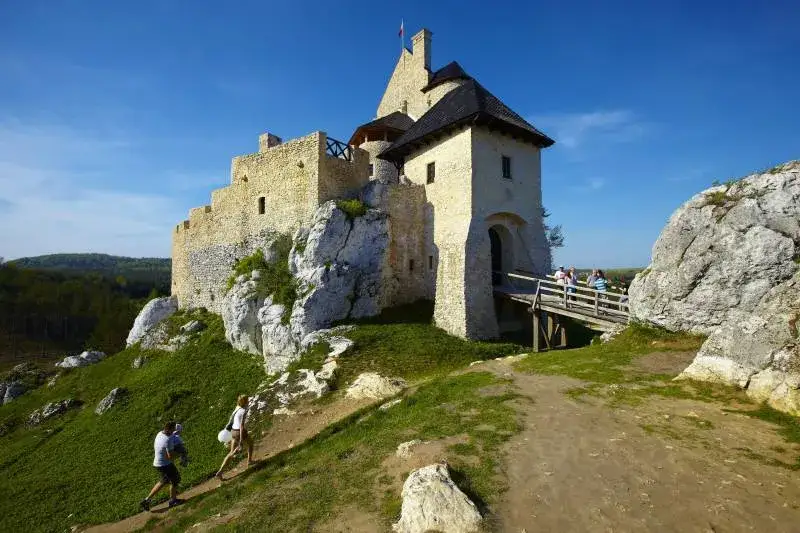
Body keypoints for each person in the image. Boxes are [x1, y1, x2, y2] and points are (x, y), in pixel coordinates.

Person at [140, 421, 183, 511]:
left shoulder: (159, 433)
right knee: (175, 479)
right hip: (165, 464)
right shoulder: (168, 440)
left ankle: (146, 500)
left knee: (164, 481)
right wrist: (180, 454)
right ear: (171, 429)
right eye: (174, 429)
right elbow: (170, 456)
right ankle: (173, 501)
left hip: (157, 463)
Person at [215, 394, 254, 481]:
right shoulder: (244, 411)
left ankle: (220, 472)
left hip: (233, 431)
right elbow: (241, 426)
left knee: (231, 453)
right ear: (245, 401)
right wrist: (240, 440)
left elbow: (232, 419)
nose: (249, 400)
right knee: (250, 444)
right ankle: (250, 461)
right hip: (239, 432)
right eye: (248, 399)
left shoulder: (237, 407)